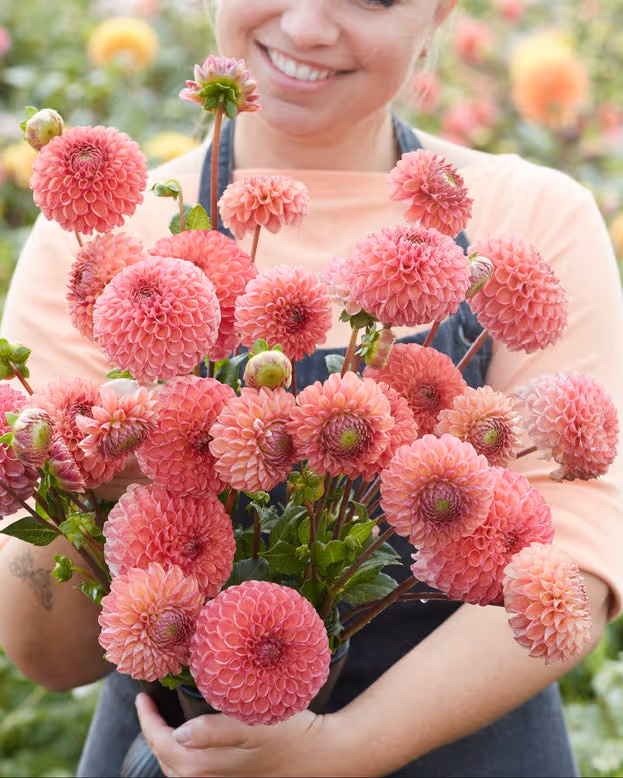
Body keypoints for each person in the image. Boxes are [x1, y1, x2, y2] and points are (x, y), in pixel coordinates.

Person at [0, 0, 622, 776]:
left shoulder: (531, 218)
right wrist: (103, 453)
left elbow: (574, 562)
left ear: (438, 15)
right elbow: (49, 655)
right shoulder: (103, 248)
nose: (305, 27)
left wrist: (341, 750)